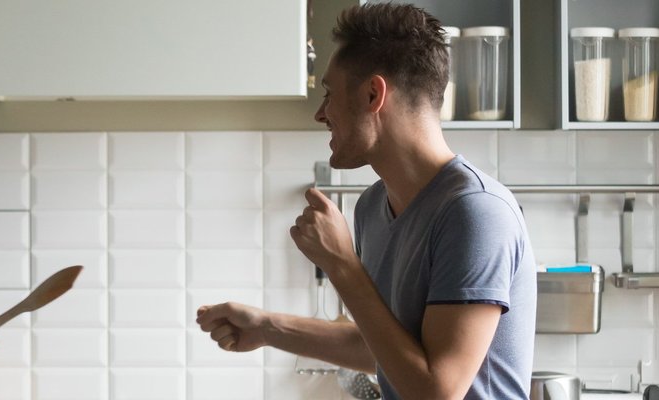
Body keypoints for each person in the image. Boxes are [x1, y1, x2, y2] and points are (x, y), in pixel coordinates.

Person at [195, 4, 536, 399]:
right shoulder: (373, 206)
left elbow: (438, 392)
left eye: (328, 94)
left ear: (374, 94)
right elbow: (383, 347)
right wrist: (268, 328)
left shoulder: (476, 212)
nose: (321, 114)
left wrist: (341, 264)